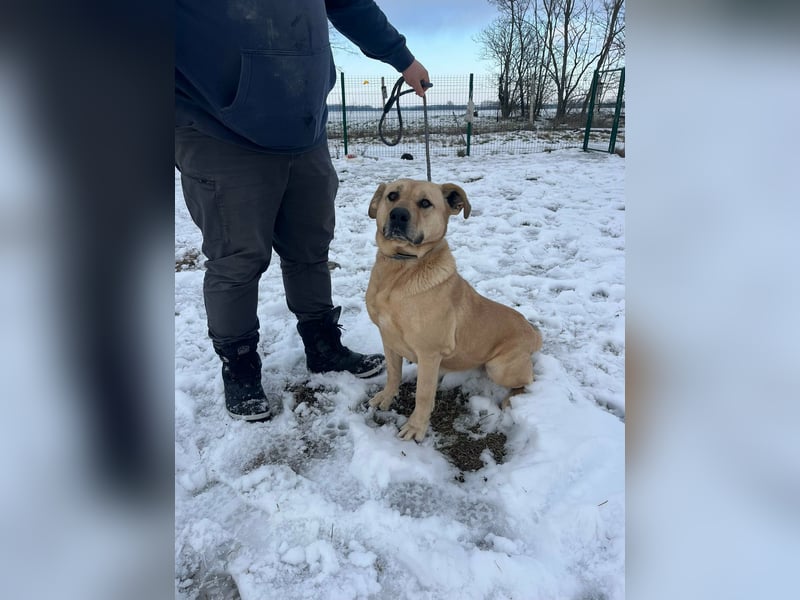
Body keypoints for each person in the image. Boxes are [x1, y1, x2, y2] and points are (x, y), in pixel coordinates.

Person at [175, 1, 430, 421]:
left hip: (304, 128)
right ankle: (239, 365)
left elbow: (347, 3)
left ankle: (323, 345)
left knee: (310, 247)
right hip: (215, 129)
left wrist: (401, 57)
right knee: (237, 259)